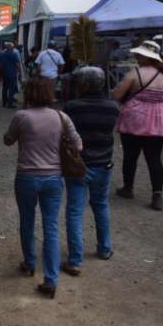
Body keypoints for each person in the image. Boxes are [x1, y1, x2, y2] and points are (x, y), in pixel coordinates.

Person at [4, 76, 82, 298]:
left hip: (26, 176)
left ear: (28, 93)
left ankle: (29, 263)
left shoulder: (21, 116)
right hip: (54, 178)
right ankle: (51, 279)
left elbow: (8, 140)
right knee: (51, 227)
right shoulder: (61, 117)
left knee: (27, 222)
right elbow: (78, 144)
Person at [62, 67, 120, 276]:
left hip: (78, 165)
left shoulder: (72, 107)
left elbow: (66, 134)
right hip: (104, 163)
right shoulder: (113, 107)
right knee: (101, 205)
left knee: (75, 211)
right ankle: (104, 248)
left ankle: (75, 260)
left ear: (84, 85)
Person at [112, 40, 163, 211]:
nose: (136, 57)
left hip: (135, 118)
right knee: (154, 157)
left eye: (139, 54)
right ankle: (157, 195)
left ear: (145, 56)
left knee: (130, 155)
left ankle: (128, 187)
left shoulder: (135, 73)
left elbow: (118, 95)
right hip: (159, 119)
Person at [0, 42, 21, 108]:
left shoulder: (1, 55)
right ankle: (10, 104)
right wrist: (20, 73)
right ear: (12, 48)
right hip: (12, 74)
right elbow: (17, 65)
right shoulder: (14, 54)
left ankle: (4, 102)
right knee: (11, 88)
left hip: (4, 74)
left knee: (4, 88)